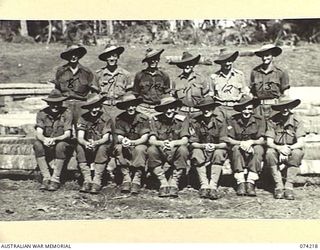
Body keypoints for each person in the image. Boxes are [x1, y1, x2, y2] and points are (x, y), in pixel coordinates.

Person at [148, 96, 189, 198]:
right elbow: (151, 140)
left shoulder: (182, 119)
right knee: (151, 150)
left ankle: (174, 183)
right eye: (165, 108)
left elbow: (185, 140)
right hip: (161, 149)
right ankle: (163, 183)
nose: (169, 111)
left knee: (183, 150)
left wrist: (173, 143)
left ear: (175, 108)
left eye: (171, 108)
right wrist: (161, 143)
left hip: (175, 149)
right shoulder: (155, 119)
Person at [265, 98, 305, 200]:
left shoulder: (297, 120)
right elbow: (269, 142)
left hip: (292, 148)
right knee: (269, 153)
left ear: (291, 107)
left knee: (297, 153)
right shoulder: (272, 120)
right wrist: (279, 148)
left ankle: (289, 186)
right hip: (277, 148)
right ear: (279, 108)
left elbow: (300, 143)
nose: (285, 109)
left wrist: (288, 149)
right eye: (282, 107)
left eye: (287, 107)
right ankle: (279, 186)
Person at [226, 95, 266, 196]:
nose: (247, 112)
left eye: (249, 109)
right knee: (235, 149)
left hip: (253, 146)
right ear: (240, 109)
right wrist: (241, 143)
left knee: (258, 149)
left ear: (253, 110)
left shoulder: (259, 120)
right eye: (244, 109)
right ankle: (240, 182)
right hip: (239, 146)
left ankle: (250, 182)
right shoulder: (233, 120)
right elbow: (229, 139)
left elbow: (261, 139)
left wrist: (251, 142)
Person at [33, 89, 73, 191]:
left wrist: (55, 139)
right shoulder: (42, 114)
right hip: (47, 142)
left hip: (61, 141)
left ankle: (55, 179)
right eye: (52, 104)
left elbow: (67, 134)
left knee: (61, 146)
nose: (55, 106)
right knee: (37, 144)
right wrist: (44, 140)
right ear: (48, 103)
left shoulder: (67, 113)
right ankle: (46, 178)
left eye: (58, 103)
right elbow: (39, 133)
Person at [189, 96, 228, 199]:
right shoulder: (196, 122)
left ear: (213, 109)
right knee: (196, 152)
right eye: (203, 108)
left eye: (209, 108)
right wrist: (204, 146)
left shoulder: (220, 122)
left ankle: (213, 185)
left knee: (219, 153)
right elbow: (193, 142)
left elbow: (224, 143)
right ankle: (204, 185)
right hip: (202, 150)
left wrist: (214, 146)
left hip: (216, 149)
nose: (206, 110)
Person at [76, 93, 114, 194]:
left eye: (96, 107)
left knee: (102, 148)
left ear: (100, 107)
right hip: (88, 145)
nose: (94, 110)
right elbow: (80, 136)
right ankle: (87, 180)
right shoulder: (83, 118)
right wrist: (85, 143)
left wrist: (96, 143)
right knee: (79, 147)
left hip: (101, 144)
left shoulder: (106, 118)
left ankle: (97, 180)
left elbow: (106, 138)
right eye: (91, 107)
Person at [114, 93, 150, 194]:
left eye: (133, 105)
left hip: (139, 143)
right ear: (125, 107)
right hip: (127, 143)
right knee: (119, 148)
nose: (131, 108)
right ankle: (126, 177)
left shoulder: (143, 118)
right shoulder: (120, 118)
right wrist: (123, 140)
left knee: (141, 149)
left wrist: (133, 143)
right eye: (128, 106)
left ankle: (137, 178)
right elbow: (119, 135)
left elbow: (144, 137)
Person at [55, 44, 98, 124]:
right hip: (65, 105)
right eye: (71, 54)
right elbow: (57, 90)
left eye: (76, 54)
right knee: (65, 130)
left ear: (79, 55)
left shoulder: (87, 72)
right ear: (67, 56)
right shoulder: (61, 71)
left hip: (81, 105)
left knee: (81, 130)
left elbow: (94, 92)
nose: (73, 57)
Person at [209, 48, 249, 123]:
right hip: (220, 109)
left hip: (235, 108)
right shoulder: (214, 77)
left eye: (229, 61)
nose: (227, 64)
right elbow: (211, 95)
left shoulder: (239, 75)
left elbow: (244, 93)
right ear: (220, 63)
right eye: (224, 61)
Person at [250, 44, 290, 119]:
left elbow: (285, 93)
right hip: (259, 109)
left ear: (272, 55)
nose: (265, 58)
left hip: (275, 109)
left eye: (267, 55)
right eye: (263, 56)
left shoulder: (281, 72)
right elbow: (252, 92)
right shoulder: (255, 72)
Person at [95, 44, 131, 119]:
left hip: (120, 109)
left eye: (114, 56)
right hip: (103, 109)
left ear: (118, 57)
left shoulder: (126, 74)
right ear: (105, 58)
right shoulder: (98, 74)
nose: (112, 59)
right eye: (109, 56)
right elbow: (94, 94)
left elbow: (129, 95)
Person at [133, 48, 170, 117]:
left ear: (158, 60)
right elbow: (135, 93)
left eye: (156, 59)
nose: (153, 61)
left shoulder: (164, 75)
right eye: (150, 59)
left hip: (158, 109)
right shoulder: (140, 75)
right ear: (147, 61)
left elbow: (166, 93)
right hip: (143, 109)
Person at [171, 52, 209, 118]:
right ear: (182, 65)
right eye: (185, 64)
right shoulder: (176, 81)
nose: (187, 66)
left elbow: (206, 97)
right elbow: (174, 98)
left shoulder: (201, 79)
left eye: (190, 64)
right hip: (182, 113)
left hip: (198, 113)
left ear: (193, 65)